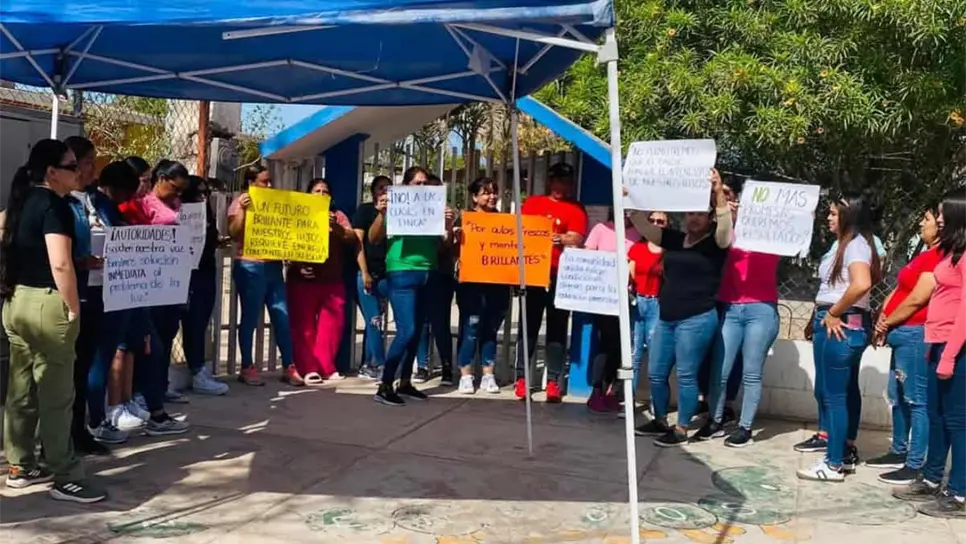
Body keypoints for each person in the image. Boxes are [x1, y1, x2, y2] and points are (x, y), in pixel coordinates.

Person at [0, 139, 107, 503]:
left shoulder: (21, 200)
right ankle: (66, 475)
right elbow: (61, 263)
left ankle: (20, 465)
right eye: (72, 165)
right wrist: (73, 307)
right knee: (57, 394)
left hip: (17, 301)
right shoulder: (55, 206)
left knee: (21, 388)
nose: (78, 172)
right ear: (52, 172)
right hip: (47, 303)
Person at [629, 169, 731, 447]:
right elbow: (644, 227)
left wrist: (718, 192)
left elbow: (725, 226)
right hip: (666, 318)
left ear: (709, 217)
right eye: (690, 213)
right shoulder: (674, 239)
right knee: (656, 373)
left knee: (686, 375)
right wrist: (631, 198)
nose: (693, 218)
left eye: (700, 213)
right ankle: (660, 420)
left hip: (696, 319)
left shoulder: (716, 243)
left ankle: (682, 428)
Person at [796, 193, 881, 482]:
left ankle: (833, 463)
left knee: (834, 396)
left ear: (849, 215)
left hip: (840, 323)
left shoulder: (855, 246)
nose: (829, 217)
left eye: (834, 213)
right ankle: (843, 452)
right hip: (844, 322)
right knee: (845, 391)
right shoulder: (850, 245)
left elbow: (861, 284)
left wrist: (833, 312)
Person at [893, 188, 966, 517]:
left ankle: (959, 493)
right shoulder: (951, 253)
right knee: (936, 415)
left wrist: (949, 355)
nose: (938, 218)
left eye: (942, 212)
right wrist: (932, 346)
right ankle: (932, 477)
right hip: (937, 343)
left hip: (957, 348)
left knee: (958, 422)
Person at [694, 176, 781, 448]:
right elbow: (720, 238)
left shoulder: (774, 234)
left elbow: (796, 231)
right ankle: (715, 420)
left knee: (751, 372)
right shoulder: (729, 232)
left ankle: (745, 427)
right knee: (719, 369)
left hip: (761, 308)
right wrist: (727, 210)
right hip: (731, 307)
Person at [863, 206, 942, 485]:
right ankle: (898, 450)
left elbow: (918, 299)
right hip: (900, 333)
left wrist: (886, 323)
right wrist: (882, 317)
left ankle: (914, 462)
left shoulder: (939, 257)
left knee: (916, 398)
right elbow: (899, 290)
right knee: (896, 395)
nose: (922, 223)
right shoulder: (923, 255)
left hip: (915, 335)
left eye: (927, 219)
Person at [368, 166, 455, 405]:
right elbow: (373, 238)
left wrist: (447, 226)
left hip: (428, 272)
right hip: (401, 271)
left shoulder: (433, 208)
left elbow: (442, 247)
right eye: (417, 183)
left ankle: (405, 382)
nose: (422, 187)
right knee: (406, 330)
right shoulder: (396, 205)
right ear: (406, 186)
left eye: (425, 183)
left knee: (416, 332)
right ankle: (385, 385)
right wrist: (382, 214)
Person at [119, 160, 192, 436]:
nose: (177, 194)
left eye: (181, 191)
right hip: (146, 287)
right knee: (149, 346)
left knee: (164, 339)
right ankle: (147, 402)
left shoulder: (176, 205)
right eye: (174, 187)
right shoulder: (140, 205)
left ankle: (157, 394)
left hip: (169, 284)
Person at [514, 163, 588, 403]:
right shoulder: (533, 203)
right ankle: (522, 378)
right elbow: (519, 231)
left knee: (557, 329)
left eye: (565, 181)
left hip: (561, 276)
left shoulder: (576, 208)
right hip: (533, 274)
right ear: (550, 181)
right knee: (528, 327)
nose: (560, 185)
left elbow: (577, 238)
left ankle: (553, 381)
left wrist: (561, 238)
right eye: (557, 180)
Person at [87, 161, 149, 439]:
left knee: (109, 353)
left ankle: (100, 415)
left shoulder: (104, 206)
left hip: (113, 290)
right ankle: (97, 418)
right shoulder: (96, 206)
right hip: (100, 291)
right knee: (101, 358)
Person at [62, 136, 114, 455]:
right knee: (70, 368)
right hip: (75, 293)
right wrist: (83, 262)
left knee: (86, 365)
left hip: (99, 291)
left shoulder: (97, 201)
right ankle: (64, 435)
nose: (92, 168)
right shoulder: (62, 203)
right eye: (86, 162)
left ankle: (81, 431)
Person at [227, 165, 300, 386]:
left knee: (282, 316)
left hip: (273, 266)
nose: (269, 185)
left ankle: (289, 366)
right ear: (251, 183)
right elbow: (233, 233)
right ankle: (247, 367)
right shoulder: (239, 202)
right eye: (264, 181)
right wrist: (243, 210)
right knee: (249, 318)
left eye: (270, 181)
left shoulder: (275, 203)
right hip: (250, 265)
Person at [286, 178, 357, 385]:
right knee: (304, 326)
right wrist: (298, 264)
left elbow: (351, 237)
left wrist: (336, 227)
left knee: (332, 325)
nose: (321, 194)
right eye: (316, 191)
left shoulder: (338, 216)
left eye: (325, 191)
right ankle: (307, 367)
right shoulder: (298, 214)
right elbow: (285, 242)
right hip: (303, 280)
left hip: (331, 279)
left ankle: (326, 366)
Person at [454, 177, 509, 394]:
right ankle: (465, 375)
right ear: (475, 197)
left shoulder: (504, 221)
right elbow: (451, 250)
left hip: (497, 284)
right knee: (471, 327)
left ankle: (488, 374)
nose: (492, 196)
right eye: (486, 192)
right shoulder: (464, 219)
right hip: (471, 285)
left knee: (491, 330)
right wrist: (456, 237)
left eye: (494, 192)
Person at [584, 209, 641, 413]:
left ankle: (610, 390)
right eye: (622, 210)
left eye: (629, 210)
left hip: (629, 298)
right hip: (604, 299)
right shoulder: (600, 229)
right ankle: (596, 391)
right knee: (606, 344)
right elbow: (587, 259)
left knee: (621, 347)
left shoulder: (639, 233)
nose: (625, 214)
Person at [177, 176, 229, 396]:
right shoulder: (180, 212)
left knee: (201, 323)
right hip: (187, 273)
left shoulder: (205, 212)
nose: (204, 197)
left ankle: (199, 370)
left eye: (206, 193)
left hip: (206, 271)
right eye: (199, 193)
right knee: (190, 322)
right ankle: (195, 371)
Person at [415, 173, 457, 385]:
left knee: (440, 323)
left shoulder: (448, 212)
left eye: (435, 188)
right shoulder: (410, 212)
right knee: (421, 322)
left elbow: (445, 247)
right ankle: (422, 365)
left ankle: (447, 366)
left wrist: (448, 226)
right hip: (418, 272)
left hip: (441, 274)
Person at [353, 176, 392, 380]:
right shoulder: (365, 210)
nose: (385, 191)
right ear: (373, 192)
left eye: (388, 188)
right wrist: (365, 272)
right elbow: (358, 243)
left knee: (375, 321)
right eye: (380, 188)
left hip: (385, 275)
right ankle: (379, 364)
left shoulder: (398, 212)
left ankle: (367, 364)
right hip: (366, 273)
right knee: (374, 319)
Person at [627, 211, 667, 408]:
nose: (656, 224)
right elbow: (630, 274)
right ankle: (629, 401)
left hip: (657, 304)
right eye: (652, 220)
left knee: (655, 356)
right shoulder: (638, 247)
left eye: (661, 221)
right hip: (638, 301)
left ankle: (655, 404)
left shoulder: (669, 251)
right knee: (634, 356)